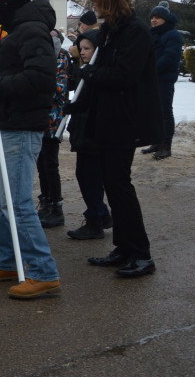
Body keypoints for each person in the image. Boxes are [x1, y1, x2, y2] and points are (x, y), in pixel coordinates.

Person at [0, 0, 61, 300]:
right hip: (6, 124)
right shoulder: (19, 31)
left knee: (19, 201)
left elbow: (41, 77)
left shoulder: (32, 30)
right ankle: (10, 260)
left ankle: (43, 272)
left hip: (21, 128)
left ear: (10, 2)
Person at [79, 0, 160, 278]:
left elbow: (125, 76)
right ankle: (124, 248)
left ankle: (141, 253)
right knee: (113, 185)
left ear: (109, 1)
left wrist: (92, 74)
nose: (94, 6)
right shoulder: (112, 31)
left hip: (125, 120)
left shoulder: (135, 32)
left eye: (98, 0)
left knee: (120, 186)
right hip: (108, 119)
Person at [64, 29, 114, 240]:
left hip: (94, 134)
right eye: (81, 48)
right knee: (84, 175)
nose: (83, 52)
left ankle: (95, 219)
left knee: (90, 177)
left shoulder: (100, 74)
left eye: (87, 48)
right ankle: (100, 213)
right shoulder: (85, 70)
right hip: (84, 132)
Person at [36, 28, 72, 228]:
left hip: (53, 121)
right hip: (40, 119)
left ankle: (57, 207)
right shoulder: (43, 59)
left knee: (50, 164)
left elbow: (59, 89)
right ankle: (46, 201)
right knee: (41, 164)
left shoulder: (60, 59)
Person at [147, 2, 183, 160]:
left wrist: (152, 70)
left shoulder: (173, 35)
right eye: (152, 17)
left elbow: (170, 58)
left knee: (164, 112)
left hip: (164, 80)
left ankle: (166, 145)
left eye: (158, 17)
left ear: (165, 19)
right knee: (153, 112)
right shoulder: (153, 34)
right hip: (151, 79)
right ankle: (156, 141)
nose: (154, 20)